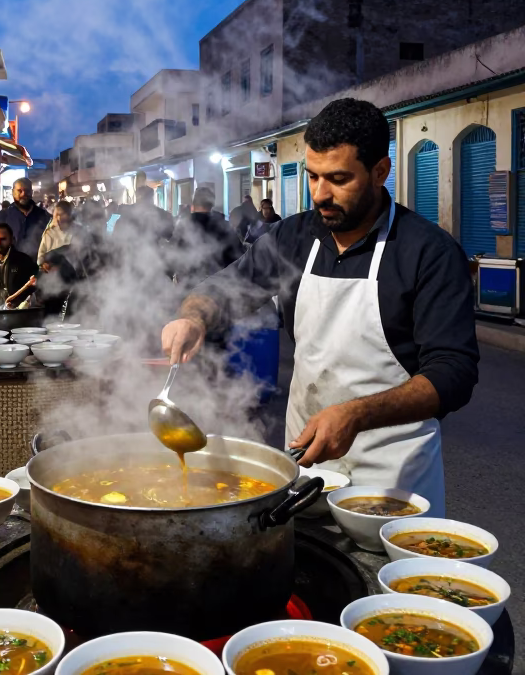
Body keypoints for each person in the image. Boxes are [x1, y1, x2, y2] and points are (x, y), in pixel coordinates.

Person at [162, 98, 479, 515]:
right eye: (312, 176)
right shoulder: (293, 237)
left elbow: (453, 372)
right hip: (306, 465)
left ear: (380, 171)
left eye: (339, 178)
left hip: (393, 480)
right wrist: (193, 317)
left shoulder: (428, 252)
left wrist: (356, 415)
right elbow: (227, 285)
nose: (320, 194)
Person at [169, 185, 242, 296]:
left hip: (187, 289)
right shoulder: (224, 226)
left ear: (192, 206)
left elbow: (172, 257)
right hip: (219, 290)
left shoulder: (183, 226)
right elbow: (239, 258)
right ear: (211, 205)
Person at [0, 223, 37, 305]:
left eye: (3, 239)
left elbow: (32, 289)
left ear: (12, 239)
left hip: (16, 311)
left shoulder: (23, 260)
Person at [0, 178, 51, 260]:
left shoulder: (44, 216)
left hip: (37, 266)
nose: (24, 194)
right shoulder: (3, 216)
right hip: (11, 264)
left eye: (27, 191)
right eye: (20, 191)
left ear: (32, 192)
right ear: (13, 192)